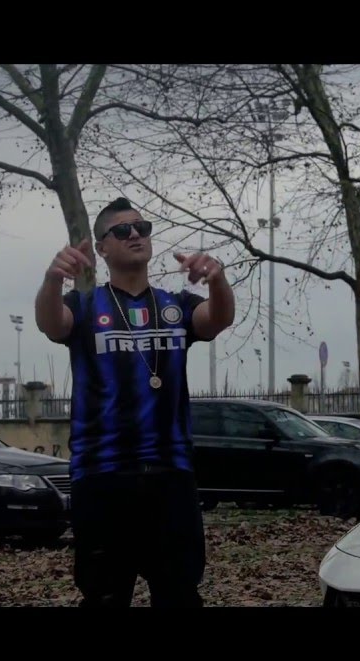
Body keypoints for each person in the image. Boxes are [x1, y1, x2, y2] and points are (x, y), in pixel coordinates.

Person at [34, 197, 235, 607]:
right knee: (104, 596)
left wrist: (217, 279)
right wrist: (53, 280)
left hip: (170, 474)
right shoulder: (85, 306)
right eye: (122, 230)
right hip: (102, 475)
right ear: (102, 248)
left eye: (142, 227)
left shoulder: (175, 305)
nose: (135, 235)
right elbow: (52, 324)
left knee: (180, 595)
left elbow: (217, 319)